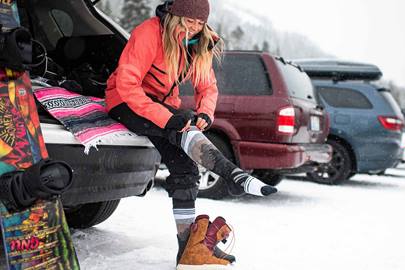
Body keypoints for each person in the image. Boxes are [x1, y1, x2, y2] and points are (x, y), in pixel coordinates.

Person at [104, 0, 277, 268]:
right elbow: (127, 84)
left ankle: (188, 250)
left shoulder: (199, 44)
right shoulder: (149, 33)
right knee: (181, 127)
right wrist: (168, 118)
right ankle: (234, 175)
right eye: (189, 22)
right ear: (174, 17)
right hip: (125, 101)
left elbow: (208, 88)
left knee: (186, 170)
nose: (194, 29)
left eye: (200, 23)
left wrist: (205, 113)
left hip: (162, 106)